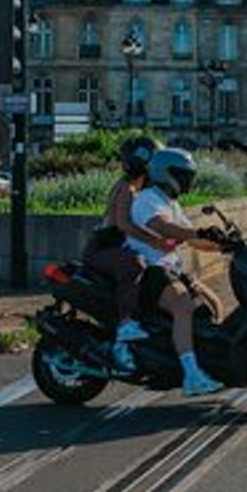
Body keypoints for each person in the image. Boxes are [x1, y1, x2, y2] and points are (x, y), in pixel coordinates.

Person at [126, 147, 228, 396]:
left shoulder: (170, 202)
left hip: (169, 270)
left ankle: (203, 362)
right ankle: (191, 376)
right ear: (166, 174)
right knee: (184, 306)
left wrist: (227, 246)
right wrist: (199, 233)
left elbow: (193, 239)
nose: (187, 181)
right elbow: (163, 227)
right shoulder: (148, 198)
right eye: (183, 175)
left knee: (214, 305)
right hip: (149, 271)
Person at [83, 136, 160, 372]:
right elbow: (123, 224)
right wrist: (154, 240)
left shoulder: (134, 187)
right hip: (103, 249)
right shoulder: (127, 188)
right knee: (133, 264)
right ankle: (126, 322)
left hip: (107, 246)